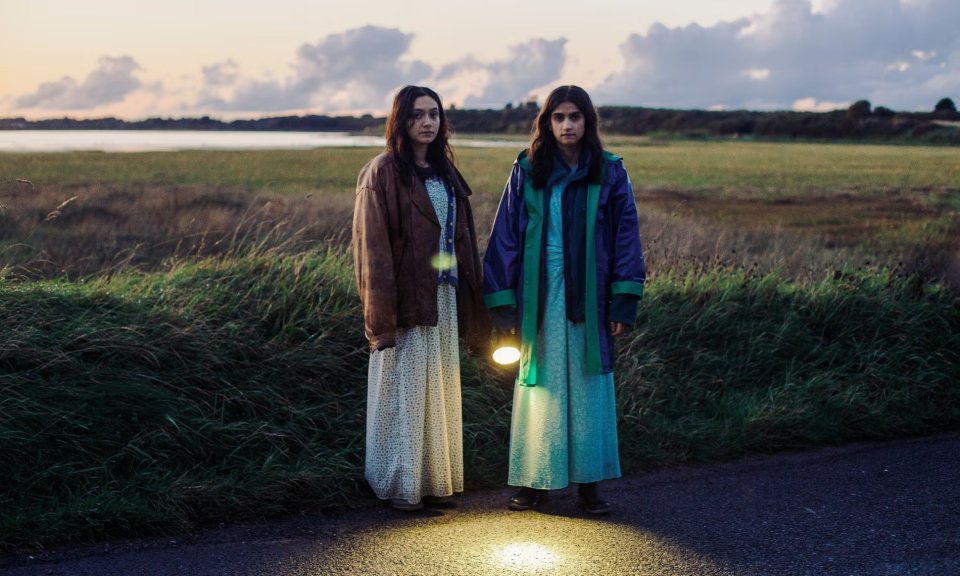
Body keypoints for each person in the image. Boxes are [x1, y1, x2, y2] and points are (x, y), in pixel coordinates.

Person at [483, 85, 646, 514]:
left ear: (588, 122)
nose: (568, 125)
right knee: (542, 385)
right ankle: (535, 481)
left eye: (576, 117)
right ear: (547, 122)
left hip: (590, 293)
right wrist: (503, 306)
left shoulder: (609, 171)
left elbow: (625, 236)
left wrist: (622, 301)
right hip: (539, 292)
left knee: (589, 383)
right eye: (559, 117)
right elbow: (505, 237)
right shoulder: (526, 168)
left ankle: (590, 485)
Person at [352, 85, 488, 511]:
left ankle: (431, 482)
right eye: (416, 115)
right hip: (406, 301)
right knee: (403, 392)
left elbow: (462, 240)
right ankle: (399, 486)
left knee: (437, 389)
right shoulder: (383, 172)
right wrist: (381, 320)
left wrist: (475, 304)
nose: (427, 122)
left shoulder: (446, 172)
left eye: (433, 114)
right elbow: (372, 252)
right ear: (400, 121)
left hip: (444, 298)